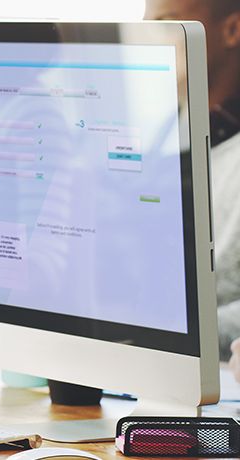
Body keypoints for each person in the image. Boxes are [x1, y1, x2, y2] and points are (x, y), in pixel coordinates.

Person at [145, 0, 240, 362]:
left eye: (166, 25)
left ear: (231, 30)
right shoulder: (164, 132)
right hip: (155, 364)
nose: (147, 42)